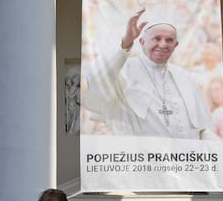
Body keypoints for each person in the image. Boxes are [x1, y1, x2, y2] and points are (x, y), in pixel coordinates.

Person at [82, 8, 216, 140]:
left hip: (184, 158)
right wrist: (126, 43)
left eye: (169, 40)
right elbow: (96, 80)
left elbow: (202, 128)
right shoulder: (123, 71)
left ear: (175, 45)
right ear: (141, 42)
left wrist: (216, 148)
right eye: (157, 39)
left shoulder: (186, 78)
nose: (163, 44)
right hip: (141, 158)